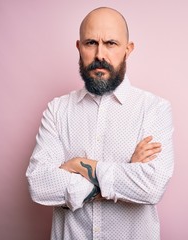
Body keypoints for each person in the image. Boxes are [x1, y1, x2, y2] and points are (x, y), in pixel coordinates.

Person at [26, 7, 174, 240]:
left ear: (128, 49)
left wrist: (78, 165)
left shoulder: (154, 109)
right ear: (79, 47)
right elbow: (39, 184)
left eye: (111, 43)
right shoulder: (57, 110)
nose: (100, 55)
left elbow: (151, 187)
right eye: (91, 43)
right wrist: (126, 172)